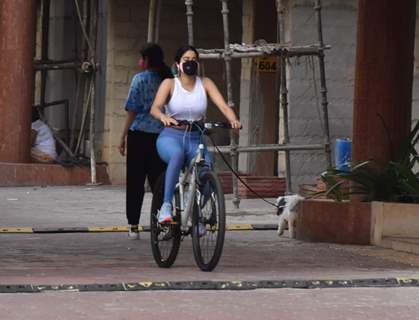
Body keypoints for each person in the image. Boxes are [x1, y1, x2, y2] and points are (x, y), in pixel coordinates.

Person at [150, 45, 241, 227]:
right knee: (177, 155)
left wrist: (234, 121)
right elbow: (155, 107)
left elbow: (223, 106)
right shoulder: (169, 83)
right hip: (171, 137)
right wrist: (163, 117)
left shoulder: (205, 83)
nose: (190, 62)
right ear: (178, 64)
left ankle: (196, 214)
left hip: (195, 138)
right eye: (186, 59)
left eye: (193, 59)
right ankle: (166, 207)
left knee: (207, 172)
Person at [118, 43, 173, 240]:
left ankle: (133, 224)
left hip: (138, 137)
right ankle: (162, 222)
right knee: (159, 182)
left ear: (147, 60)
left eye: (142, 58)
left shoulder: (139, 80)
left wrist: (122, 136)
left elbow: (131, 110)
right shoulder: (169, 80)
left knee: (135, 182)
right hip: (162, 137)